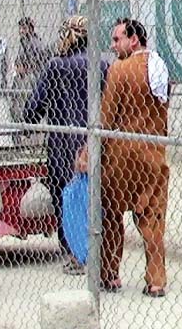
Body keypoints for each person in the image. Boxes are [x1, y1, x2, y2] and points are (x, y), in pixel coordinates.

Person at [23, 16, 107, 275]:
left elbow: (35, 106)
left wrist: (28, 122)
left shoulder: (56, 66)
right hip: (94, 145)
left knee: (65, 200)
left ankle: (74, 253)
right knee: (94, 199)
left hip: (62, 146)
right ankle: (97, 250)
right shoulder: (102, 65)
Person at [99, 18, 170, 297]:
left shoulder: (119, 69)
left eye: (117, 40)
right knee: (152, 218)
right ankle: (156, 279)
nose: (113, 45)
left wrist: (94, 148)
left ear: (134, 40)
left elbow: (107, 117)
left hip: (122, 156)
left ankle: (110, 273)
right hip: (154, 153)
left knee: (113, 216)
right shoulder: (159, 67)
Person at [10, 17, 49, 123]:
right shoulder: (24, 42)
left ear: (31, 29)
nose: (21, 31)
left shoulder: (35, 43)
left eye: (24, 28)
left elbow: (39, 63)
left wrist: (25, 69)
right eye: (20, 28)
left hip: (32, 80)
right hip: (23, 79)